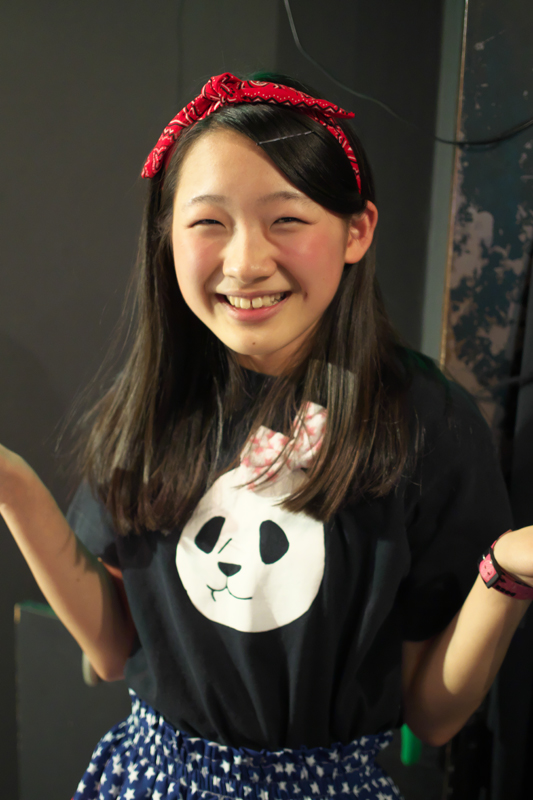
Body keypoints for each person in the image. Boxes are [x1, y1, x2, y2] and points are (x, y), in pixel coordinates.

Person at [1, 72, 532, 800]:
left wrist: (505, 573)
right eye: (208, 223)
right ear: (167, 237)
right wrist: (13, 486)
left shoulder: (424, 421)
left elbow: (433, 717)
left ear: (356, 231)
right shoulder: (157, 397)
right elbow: (116, 647)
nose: (246, 262)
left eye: (286, 219)